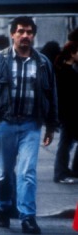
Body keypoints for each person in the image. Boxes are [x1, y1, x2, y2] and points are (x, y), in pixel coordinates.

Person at [0, 16, 58, 234]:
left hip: (31, 125)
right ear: (12, 34)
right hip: (4, 124)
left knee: (27, 173)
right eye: (21, 31)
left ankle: (27, 217)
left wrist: (51, 125)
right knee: (4, 173)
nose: (25, 36)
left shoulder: (43, 63)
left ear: (34, 35)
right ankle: (4, 208)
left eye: (29, 32)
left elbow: (52, 95)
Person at [53, 40, 78, 184]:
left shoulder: (67, 70)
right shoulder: (65, 73)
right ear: (72, 54)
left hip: (69, 114)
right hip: (69, 115)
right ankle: (61, 173)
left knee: (66, 142)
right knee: (65, 143)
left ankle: (69, 171)